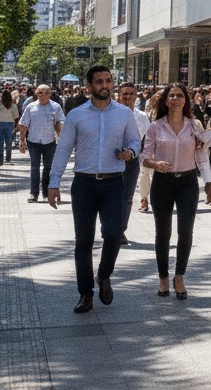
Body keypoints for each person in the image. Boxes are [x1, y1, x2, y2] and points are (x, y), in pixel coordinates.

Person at [46, 66, 141, 313]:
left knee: (113, 233)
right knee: (83, 241)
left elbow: (135, 140)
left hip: (113, 182)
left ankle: (104, 274)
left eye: (108, 81)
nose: (105, 85)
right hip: (84, 184)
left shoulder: (124, 113)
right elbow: (63, 149)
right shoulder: (76, 115)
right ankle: (85, 293)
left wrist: (131, 152)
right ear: (89, 86)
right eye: (99, 82)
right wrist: (53, 183)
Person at [141, 82, 211, 299]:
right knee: (163, 232)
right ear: (165, 100)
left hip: (187, 182)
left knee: (186, 230)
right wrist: (155, 164)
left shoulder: (194, 126)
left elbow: (202, 155)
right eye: (171, 96)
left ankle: (179, 276)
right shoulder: (155, 127)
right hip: (162, 183)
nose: (175, 99)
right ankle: (163, 277)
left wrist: (209, 182)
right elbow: (144, 155)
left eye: (180, 95)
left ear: (186, 100)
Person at [18, 84, 64, 202]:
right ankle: (34, 193)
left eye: (45, 93)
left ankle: (46, 193)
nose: (42, 95)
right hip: (33, 141)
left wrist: (61, 140)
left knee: (48, 168)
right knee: (35, 167)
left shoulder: (56, 107)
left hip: (49, 142)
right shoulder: (30, 107)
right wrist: (22, 141)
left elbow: (59, 124)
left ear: (49, 94)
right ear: (36, 94)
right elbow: (23, 125)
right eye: (40, 93)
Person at [118, 83, 150, 245]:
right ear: (119, 96)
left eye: (131, 94)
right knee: (110, 196)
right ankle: (109, 228)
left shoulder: (142, 116)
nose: (128, 97)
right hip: (112, 160)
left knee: (127, 197)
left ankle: (120, 231)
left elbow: (147, 137)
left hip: (132, 161)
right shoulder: (111, 113)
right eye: (124, 94)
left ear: (136, 96)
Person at [0, 87, 19, 164]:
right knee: (9, 143)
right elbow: (16, 117)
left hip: (0, 123)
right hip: (10, 124)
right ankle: (8, 158)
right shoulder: (13, 105)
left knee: (0, 143)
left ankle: (0, 160)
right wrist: (16, 126)